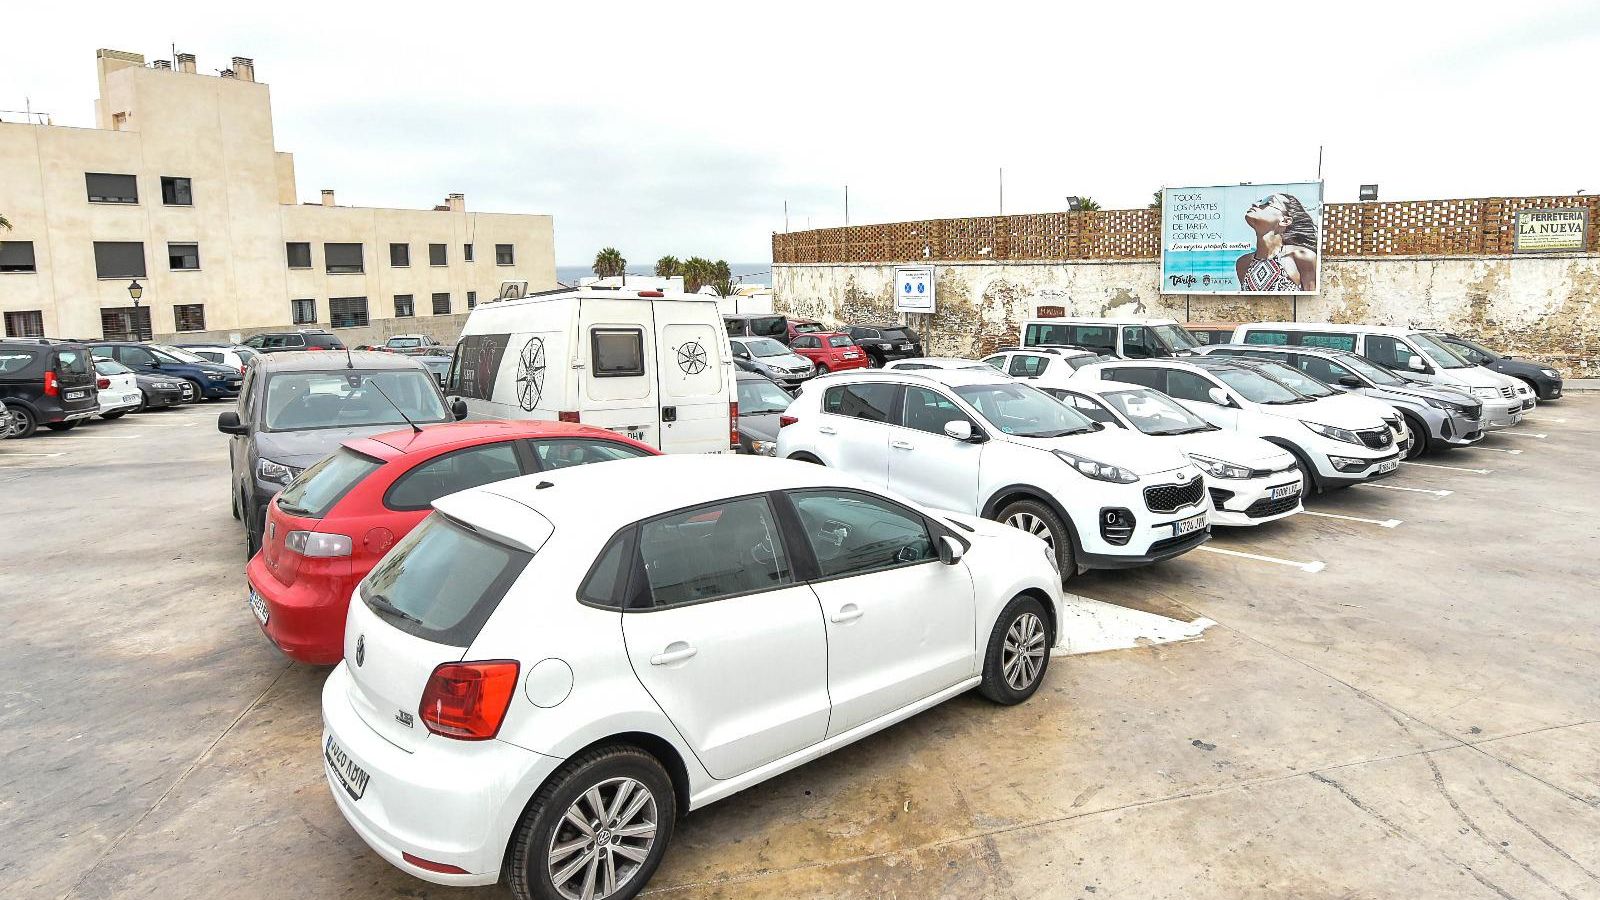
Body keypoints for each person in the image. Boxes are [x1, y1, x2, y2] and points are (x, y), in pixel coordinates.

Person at [1235, 193, 1318, 292]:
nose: (1255, 204)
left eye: (1267, 202)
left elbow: (1310, 303)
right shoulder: (1243, 263)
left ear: (1285, 221)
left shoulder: (1302, 257)